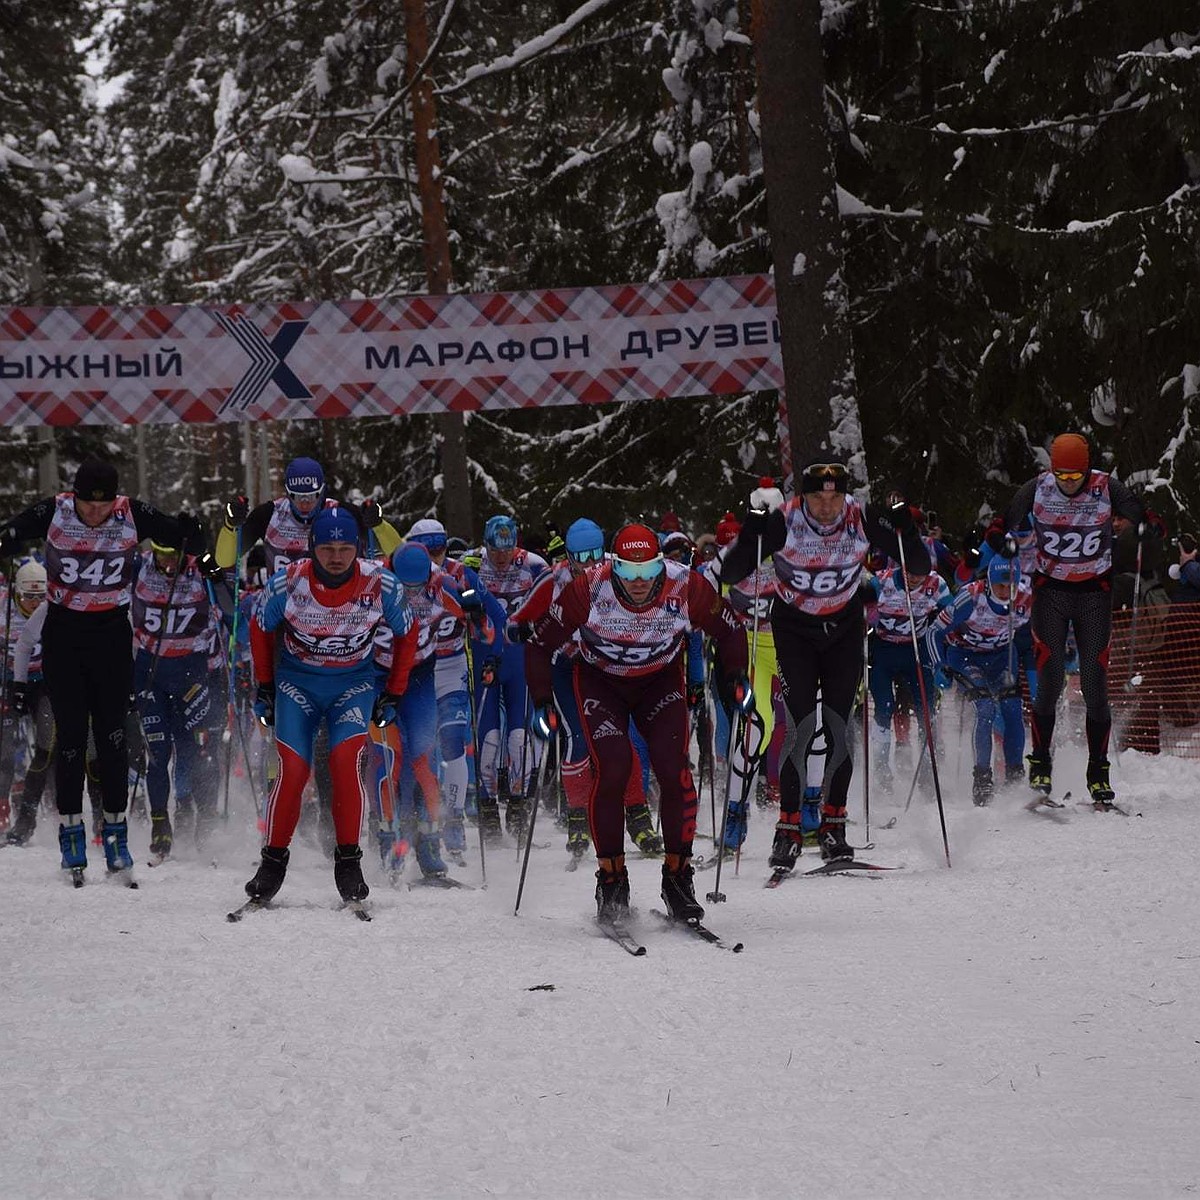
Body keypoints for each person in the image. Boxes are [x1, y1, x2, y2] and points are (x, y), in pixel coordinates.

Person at [0, 458, 217, 879]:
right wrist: (7, 540)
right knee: (70, 738)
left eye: (103, 504)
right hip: (64, 634)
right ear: (75, 496)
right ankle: (71, 836)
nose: (96, 513)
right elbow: (14, 529)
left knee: (113, 737)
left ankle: (116, 835)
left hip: (112, 635)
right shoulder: (56, 510)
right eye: (88, 504)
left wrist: (193, 531)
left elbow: (181, 535)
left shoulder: (131, 512)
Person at [525, 522, 749, 924]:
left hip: (659, 682)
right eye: (629, 572)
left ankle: (678, 878)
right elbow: (540, 644)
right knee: (612, 768)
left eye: (649, 572)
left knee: (672, 767)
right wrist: (542, 701)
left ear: (661, 565)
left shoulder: (685, 585)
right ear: (615, 567)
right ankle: (612, 880)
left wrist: (734, 676)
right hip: (600, 682)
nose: (641, 582)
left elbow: (730, 629)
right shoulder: (590, 587)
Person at [720, 462, 930, 871]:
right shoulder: (785, 520)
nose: (827, 506)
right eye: (818, 497)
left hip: (844, 629)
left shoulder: (861, 516)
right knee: (799, 726)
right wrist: (751, 534)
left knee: (838, 725)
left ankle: (834, 825)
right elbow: (731, 573)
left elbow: (918, 565)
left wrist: (906, 529)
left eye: (834, 496)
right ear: (803, 496)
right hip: (795, 628)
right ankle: (790, 828)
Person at [247, 506, 418, 904]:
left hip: (352, 686)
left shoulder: (382, 585)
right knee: (294, 768)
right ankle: (272, 863)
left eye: (346, 548)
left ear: (359, 548)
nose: (337, 557)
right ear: (312, 548)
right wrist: (267, 687)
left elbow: (407, 634)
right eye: (327, 548)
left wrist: (394, 692)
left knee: (345, 763)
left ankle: (349, 862)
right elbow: (259, 628)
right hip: (298, 686)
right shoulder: (288, 583)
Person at [998, 432, 1144, 807]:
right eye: (1061, 476)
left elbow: (1141, 513)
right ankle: (1040, 764)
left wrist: (1140, 527)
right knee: (1049, 684)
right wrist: (1004, 539)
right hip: (1051, 594)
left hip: (1094, 594)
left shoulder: (1105, 486)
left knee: (1095, 685)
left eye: (1074, 476)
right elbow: (1003, 522)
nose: (1068, 483)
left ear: (1086, 470)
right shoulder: (1037, 487)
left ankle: (1098, 772)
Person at [404, 518, 504, 863]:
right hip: (414, 670)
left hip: (450, 667)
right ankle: (414, 820)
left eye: (440, 549)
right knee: (419, 749)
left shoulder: (461, 575)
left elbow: (493, 621)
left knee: (453, 741)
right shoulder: (404, 573)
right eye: (428, 550)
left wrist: (486, 638)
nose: (435, 557)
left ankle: (454, 820)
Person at [130, 540, 219, 859]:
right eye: (162, 554)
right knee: (157, 752)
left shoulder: (200, 569)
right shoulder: (138, 565)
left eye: (174, 555)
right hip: (150, 674)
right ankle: (160, 825)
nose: (168, 562)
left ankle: (198, 817)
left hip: (191, 674)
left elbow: (231, 606)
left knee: (194, 750)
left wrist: (215, 571)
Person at [927, 555, 1033, 804]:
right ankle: (982, 778)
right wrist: (937, 665)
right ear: (989, 582)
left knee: (1012, 708)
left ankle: (1015, 774)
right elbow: (934, 631)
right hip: (965, 656)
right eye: (1000, 586)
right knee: (985, 708)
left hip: (1001, 656)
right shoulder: (971, 597)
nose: (1006, 592)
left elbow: (1031, 636)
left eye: (1011, 586)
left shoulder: (1025, 599)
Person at [473, 514, 548, 842]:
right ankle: (488, 808)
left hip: (521, 661)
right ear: (486, 544)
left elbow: (554, 598)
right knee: (488, 741)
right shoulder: (472, 562)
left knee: (519, 738)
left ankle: (519, 805)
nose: (501, 557)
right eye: (494, 550)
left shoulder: (533, 564)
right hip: (484, 658)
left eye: (507, 549)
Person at [865, 562, 952, 794]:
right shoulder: (881, 581)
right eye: (911, 573)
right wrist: (868, 612)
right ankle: (882, 770)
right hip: (884, 650)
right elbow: (861, 608)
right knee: (884, 707)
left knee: (926, 709)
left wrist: (944, 650)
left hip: (916, 651)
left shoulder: (937, 584)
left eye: (920, 574)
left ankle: (926, 772)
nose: (915, 578)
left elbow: (951, 615)